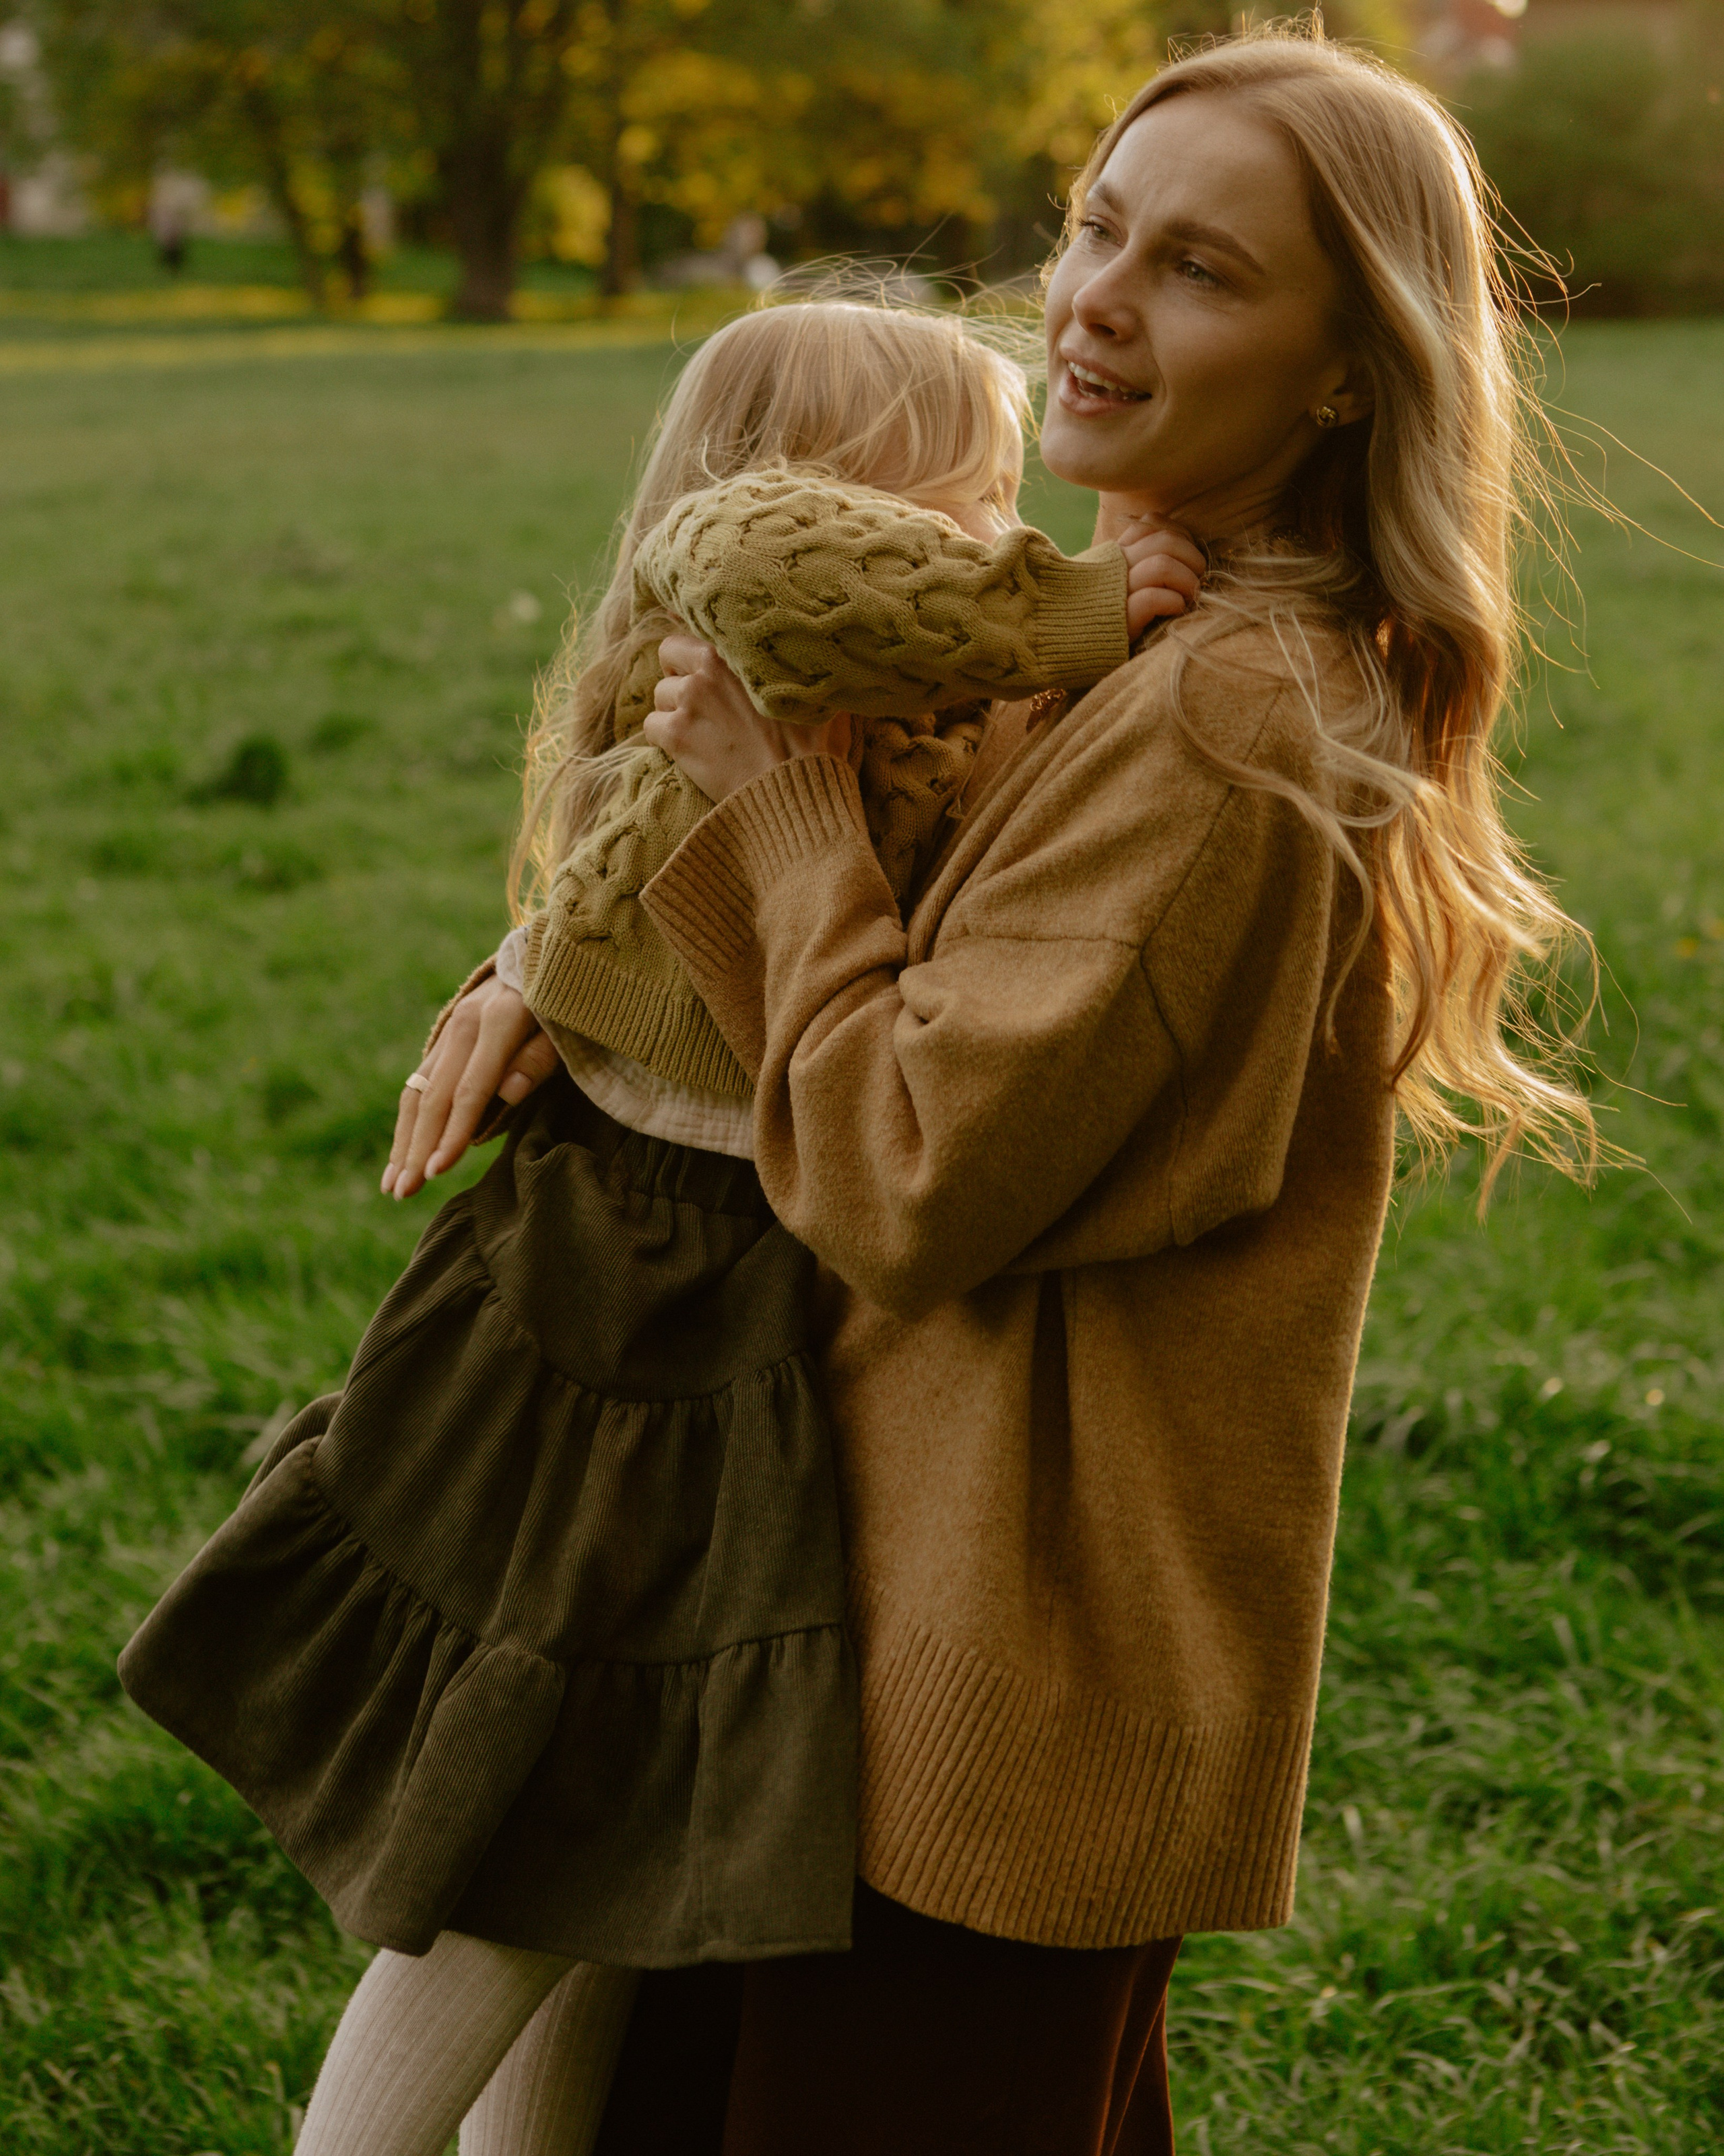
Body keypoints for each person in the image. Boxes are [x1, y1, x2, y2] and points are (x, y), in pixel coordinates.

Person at [399, 23, 1603, 2153]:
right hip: (876, 1624)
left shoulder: (1227, 717)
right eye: (1097, 229)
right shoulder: (1135, 635)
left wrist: (788, 824)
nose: (1100, 301)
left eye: (1205, 271)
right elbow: (891, 936)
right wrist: (540, 976)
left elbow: (906, 1172)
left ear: (1351, 371)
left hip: (998, 1696)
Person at [117, 298, 1199, 2156]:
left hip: (708, 1329)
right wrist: (1085, 610)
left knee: (615, 1843)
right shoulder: (750, 624)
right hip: (629, 1324)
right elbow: (810, 587)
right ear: (810, 501)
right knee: (534, 1842)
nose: (991, 541)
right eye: (954, 499)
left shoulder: (857, 718)